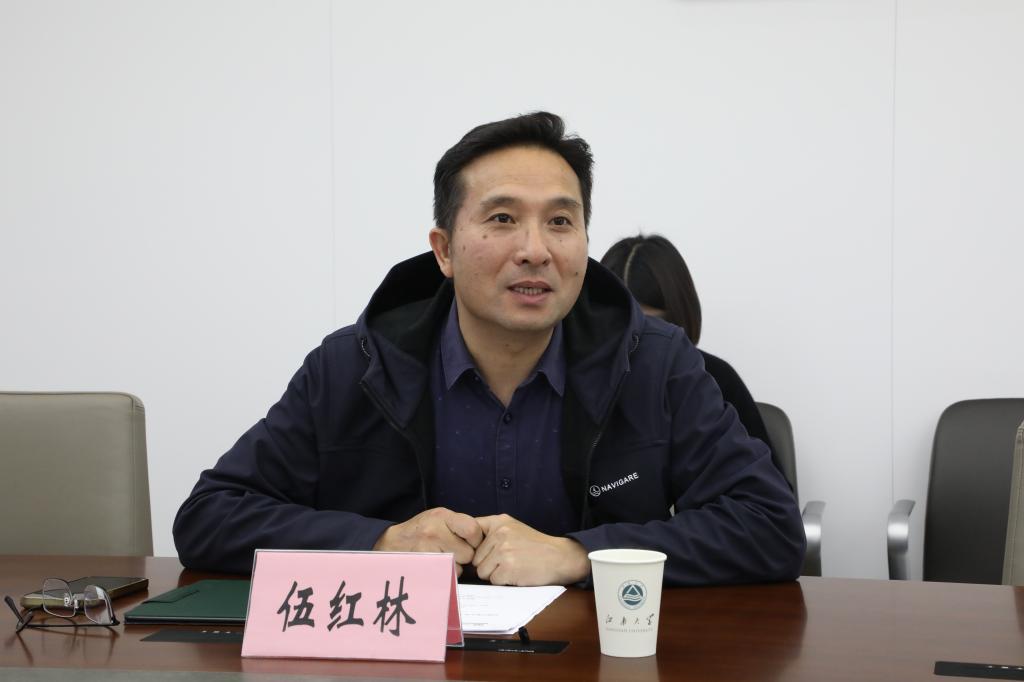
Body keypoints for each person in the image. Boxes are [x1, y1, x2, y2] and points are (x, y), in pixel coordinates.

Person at [173, 112, 805, 586]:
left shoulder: (654, 363)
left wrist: (580, 555)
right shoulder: (353, 367)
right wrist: (381, 543)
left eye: (561, 221)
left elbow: (771, 526)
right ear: (444, 250)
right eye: (502, 219)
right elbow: (209, 518)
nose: (535, 249)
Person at [599, 235, 785, 480]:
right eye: (622, 325)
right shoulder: (580, 386)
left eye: (655, 324)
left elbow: (769, 492)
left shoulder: (717, 378)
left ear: (681, 317)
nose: (640, 340)